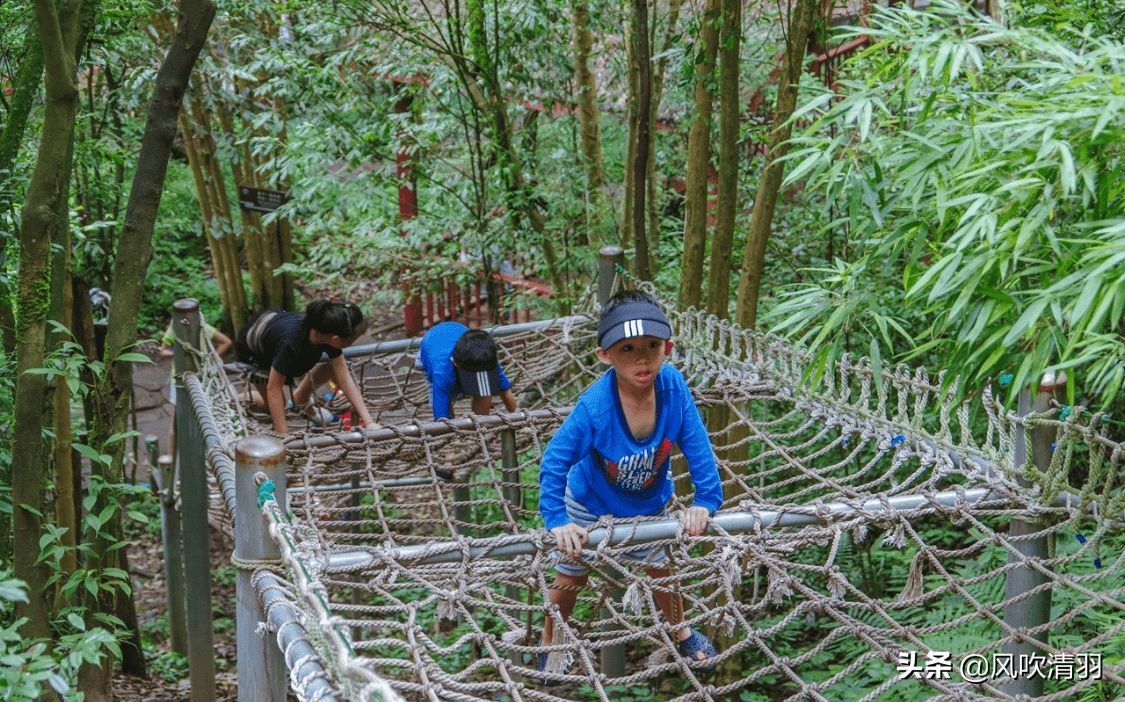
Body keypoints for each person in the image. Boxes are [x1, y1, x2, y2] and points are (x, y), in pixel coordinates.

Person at [536, 289, 723, 681]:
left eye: (652, 346)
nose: (643, 358)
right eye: (628, 349)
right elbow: (554, 460)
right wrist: (556, 519)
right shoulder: (596, 407)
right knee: (571, 573)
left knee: (662, 571)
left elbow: (697, 444)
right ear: (605, 355)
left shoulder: (672, 387)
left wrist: (705, 500)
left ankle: (679, 631)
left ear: (667, 348)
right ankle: (551, 640)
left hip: (647, 501)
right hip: (588, 502)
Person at [236, 299, 375, 434]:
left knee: (333, 367)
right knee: (275, 406)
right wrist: (283, 436)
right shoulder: (291, 344)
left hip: (278, 330)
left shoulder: (324, 330)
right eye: (352, 340)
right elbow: (273, 388)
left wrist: (369, 422)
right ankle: (236, 400)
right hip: (256, 349)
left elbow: (344, 376)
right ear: (336, 339)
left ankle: (300, 398)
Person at [417, 321, 518, 420]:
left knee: (485, 390)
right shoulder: (441, 371)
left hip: (457, 340)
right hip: (431, 348)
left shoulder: (485, 358)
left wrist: (522, 423)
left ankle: (479, 426)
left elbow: (505, 391)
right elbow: (441, 417)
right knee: (446, 396)